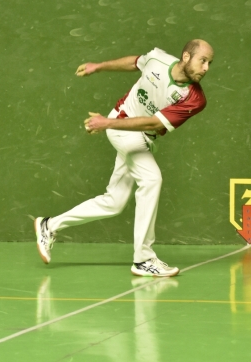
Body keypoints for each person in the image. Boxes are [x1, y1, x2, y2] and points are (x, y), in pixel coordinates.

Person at [35, 39, 214, 277]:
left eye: (209, 63)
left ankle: (49, 225)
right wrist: (98, 66)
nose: (206, 68)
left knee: (115, 201)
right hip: (122, 129)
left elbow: (154, 122)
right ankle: (144, 259)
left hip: (135, 133)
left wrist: (107, 122)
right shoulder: (157, 58)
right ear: (186, 57)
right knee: (152, 180)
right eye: (203, 61)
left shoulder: (194, 98)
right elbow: (134, 62)